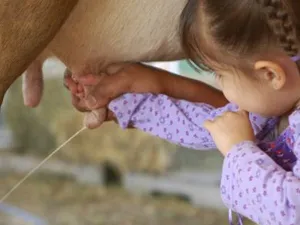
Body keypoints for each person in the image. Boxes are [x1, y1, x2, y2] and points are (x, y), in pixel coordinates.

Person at [65, 0, 300, 224]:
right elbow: (204, 125)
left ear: (270, 74)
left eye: (221, 74)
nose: (220, 86)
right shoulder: (273, 106)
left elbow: (293, 212)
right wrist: (127, 103)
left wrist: (239, 151)